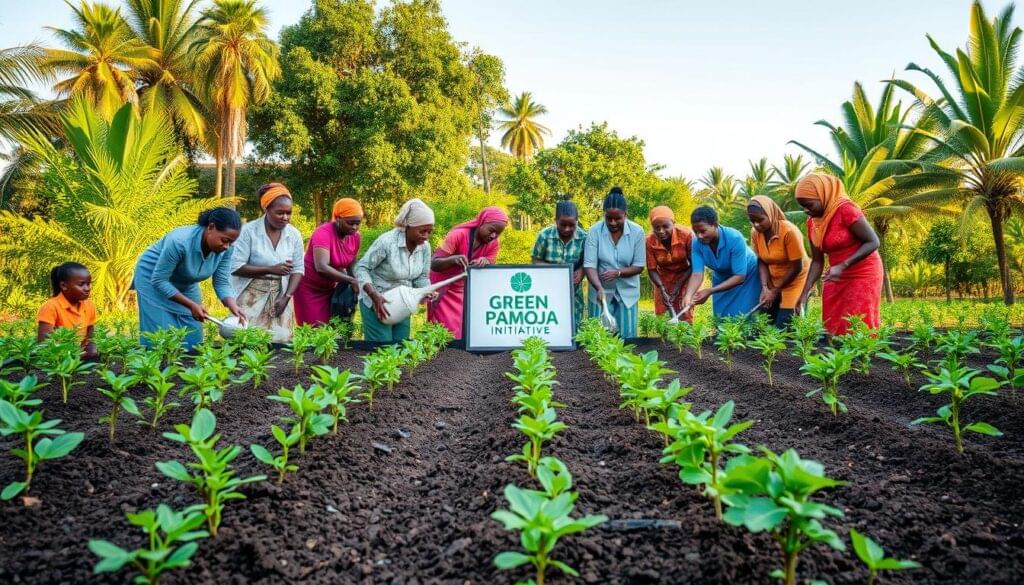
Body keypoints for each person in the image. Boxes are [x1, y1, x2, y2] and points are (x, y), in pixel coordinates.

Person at [133, 207, 245, 349]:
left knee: (192, 336)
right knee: (160, 337)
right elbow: (159, 280)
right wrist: (191, 305)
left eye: (231, 242)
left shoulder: (226, 249)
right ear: (211, 227)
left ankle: (188, 369)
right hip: (152, 278)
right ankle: (157, 367)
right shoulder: (180, 241)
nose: (226, 246)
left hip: (185, 282)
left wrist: (233, 305)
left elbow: (221, 281)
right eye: (224, 240)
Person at [793, 173, 883, 335]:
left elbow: (873, 242)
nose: (806, 210)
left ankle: (860, 359)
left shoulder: (846, 210)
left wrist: (843, 265)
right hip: (836, 274)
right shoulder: (813, 223)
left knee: (857, 323)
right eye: (802, 206)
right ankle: (838, 358)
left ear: (823, 195)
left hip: (863, 272)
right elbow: (817, 261)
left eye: (809, 205)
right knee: (832, 321)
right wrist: (804, 292)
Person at [229, 183, 305, 342]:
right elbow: (236, 267)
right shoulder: (248, 232)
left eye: (288, 213)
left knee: (281, 340)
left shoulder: (294, 234)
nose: (285, 217)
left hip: (280, 294)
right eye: (280, 213)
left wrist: (286, 297)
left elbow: (298, 269)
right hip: (251, 294)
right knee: (247, 339)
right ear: (266, 209)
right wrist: (270, 269)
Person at [354, 198, 435, 343]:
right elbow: (361, 268)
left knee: (401, 347)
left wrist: (426, 290)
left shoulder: (424, 247)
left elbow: (421, 276)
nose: (426, 236)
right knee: (382, 349)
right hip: (378, 302)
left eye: (430, 232)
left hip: (403, 302)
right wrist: (373, 295)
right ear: (408, 226)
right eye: (422, 231)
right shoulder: (387, 242)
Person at [428, 206, 509, 339]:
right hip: (444, 289)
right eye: (492, 230)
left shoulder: (493, 243)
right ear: (482, 222)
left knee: (465, 329)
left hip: (466, 290)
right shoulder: (458, 235)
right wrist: (453, 259)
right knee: (446, 331)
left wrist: (486, 261)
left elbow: (491, 262)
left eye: (498, 233)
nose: (493, 236)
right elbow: (434, 263)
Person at [584, 187, 645, 338]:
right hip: (600, 292)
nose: (612, 222)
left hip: (628, 292)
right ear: (603, 215)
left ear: (625, 215)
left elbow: (639, 266)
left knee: (627, 338)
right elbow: (589, 265)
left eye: (617, 218)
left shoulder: (637, 232)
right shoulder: (594, 231)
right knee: (599, 338)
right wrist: (598, 287)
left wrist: (618, 273)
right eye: (608, 218)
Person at [681, 206, 761, 318]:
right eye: (696, 231)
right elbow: (697, 273)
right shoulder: (696, 243)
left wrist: (710, 290)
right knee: (721, 316)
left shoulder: (734, 238)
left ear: (715, 224)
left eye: (703, 231)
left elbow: (739, 277)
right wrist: (688, 296)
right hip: (722, 277)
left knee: (743, 316)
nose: (699, 236)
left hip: (747, 276)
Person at [293, 198, 363, 326]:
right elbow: (321, 266)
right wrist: (350, 280)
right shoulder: (323, 233)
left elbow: (351, 263)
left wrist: (355, 282)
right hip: (309, 288)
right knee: (314, 329)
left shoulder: (355, 237)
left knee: (332, 329)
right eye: (350, 223)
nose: (354, 227)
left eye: (358, 223)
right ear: (338, 218)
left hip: (331, 288)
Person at [747, 195, 809, 328]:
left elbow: (796, 266)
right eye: (752, 221)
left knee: (786, 326)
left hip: (795, 280)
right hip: (773, 280)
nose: (756, 225)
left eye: (760, 220)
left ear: (770, 213)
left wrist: (774, 291)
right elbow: (761, 261)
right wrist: (765, 288)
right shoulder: (755, 233)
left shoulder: (789, 231)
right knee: (764, 322)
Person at [532, 201, 587, 331]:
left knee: (574, 327)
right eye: (563, 224)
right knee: (550, 323)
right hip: (548, 290)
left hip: (574, 292)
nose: (567, 228)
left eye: (571, 225)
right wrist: (556, 273)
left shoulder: (584, 238)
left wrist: (581, 271)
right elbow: (535, 260)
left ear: (577, 221)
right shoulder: (544, 236)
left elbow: (588, 261)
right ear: (555, 220)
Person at [37, 262, 98, 358]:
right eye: (81, 284)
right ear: (63, 286)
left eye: (88, 284)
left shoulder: (89, 305)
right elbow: (44, 344)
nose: (87, 288)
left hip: (82, 358)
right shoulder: (51, 307)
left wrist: (92, 350)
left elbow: (91, 335)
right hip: (59, 361)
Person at [646, 206, 693, 321]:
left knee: (685, 309)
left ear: (673, 223)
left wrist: (678, 285)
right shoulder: (649, 241)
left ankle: (685, 338)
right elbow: (651, 269)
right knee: (663, 313)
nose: (661, 231)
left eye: (665, 226)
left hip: (685, 275)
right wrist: (662, 288)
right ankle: (665, 339)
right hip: (662, 278)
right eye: (656, 228)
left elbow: (694, 265)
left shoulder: (687, 235)